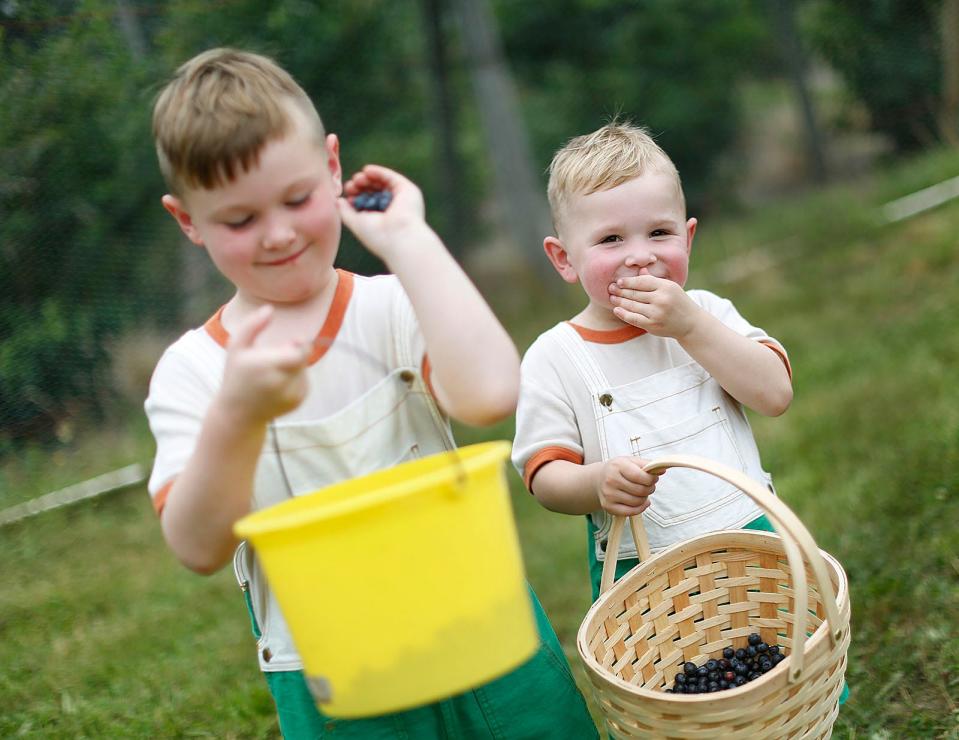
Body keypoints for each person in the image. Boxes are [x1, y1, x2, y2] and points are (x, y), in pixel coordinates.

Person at [144, 48, 598, 739]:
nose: (280, 233)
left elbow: (490, 393)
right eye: (239, 220)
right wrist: (236, 414)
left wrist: (408, 241)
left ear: (333, 168)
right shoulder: (196, 373)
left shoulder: (390, 306)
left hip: (480, 629)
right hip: (337, 676)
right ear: (187, 221)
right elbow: (197, 546)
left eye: (297, 198)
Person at [511, 121, 794, 602]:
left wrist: (690, 326)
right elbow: (544, 476)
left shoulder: (707, 314)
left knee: (791, 657)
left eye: (659, 232)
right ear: (564, 259)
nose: (640, 257)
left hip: (750, 538)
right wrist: (595, 482)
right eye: (611, 240)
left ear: (688, 238)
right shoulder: (555, 357)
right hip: (643, 571)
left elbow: (775, 395)